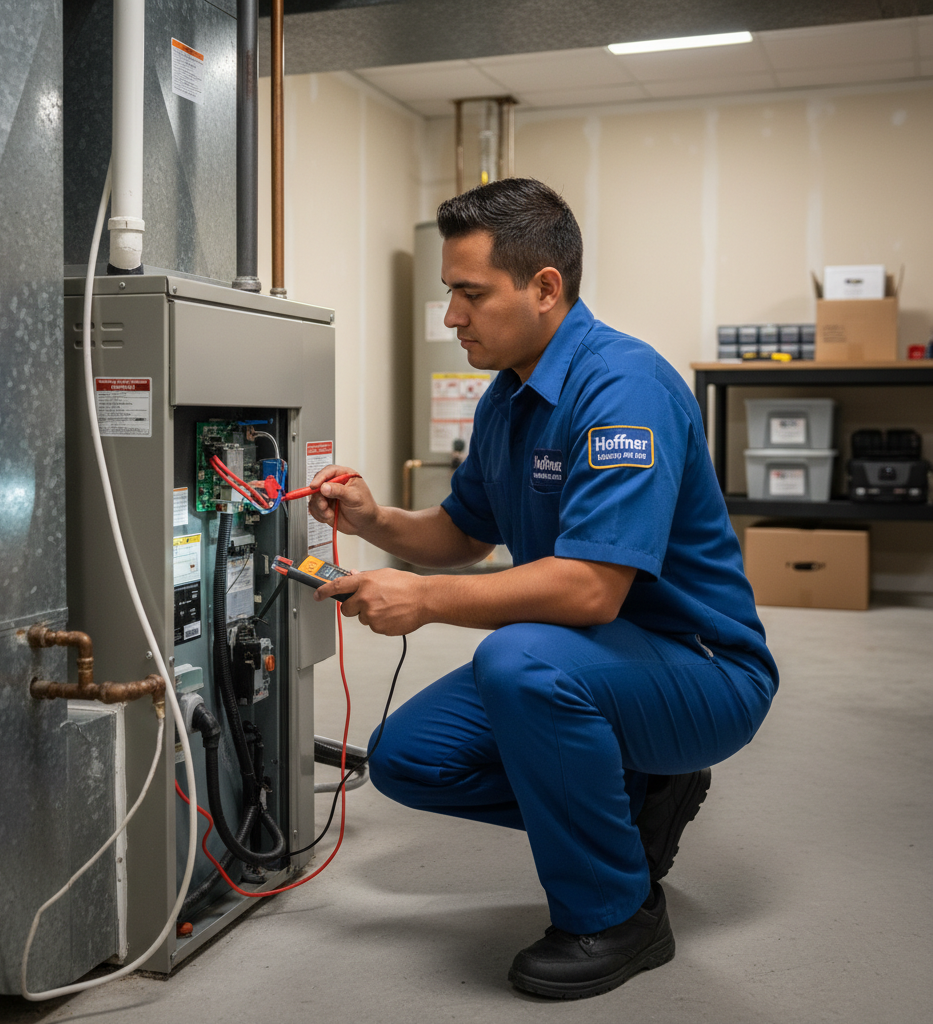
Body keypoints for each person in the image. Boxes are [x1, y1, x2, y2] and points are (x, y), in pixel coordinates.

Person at [306, 178, 777, 1001]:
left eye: (470, 293)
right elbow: (463, 531)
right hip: (592, 659)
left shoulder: (623, 387)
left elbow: (591, 590)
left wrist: (423, 600)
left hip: (702, 669)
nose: (451, 316)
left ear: (545, 287)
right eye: (449, 292)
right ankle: (639, 795)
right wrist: (375, 521)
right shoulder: (507, 399)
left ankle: (617, 914)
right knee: (409, 760)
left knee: (520, 659)